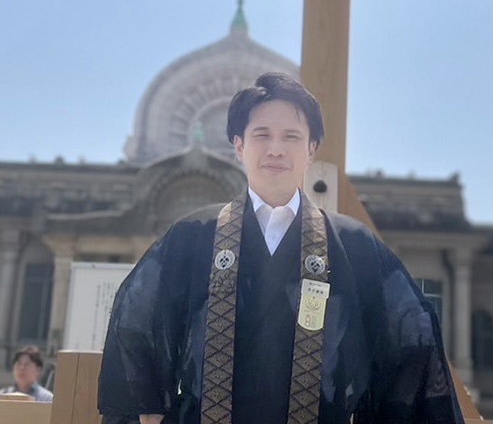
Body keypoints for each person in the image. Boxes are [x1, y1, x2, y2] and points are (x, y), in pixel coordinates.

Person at [98, 73, 464, 424]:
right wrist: (147, 407)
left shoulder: (354, 244)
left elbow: (410, 334)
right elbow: (137, 321)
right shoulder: (192, 236)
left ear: (311, 149)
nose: (276, 149)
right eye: (262, 135)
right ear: (238, 146)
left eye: (291, 137)